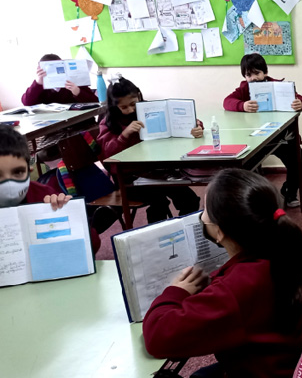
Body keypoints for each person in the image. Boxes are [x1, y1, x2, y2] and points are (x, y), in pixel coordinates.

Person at [142, 168, 302, 378]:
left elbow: (157, 337)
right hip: (277, 377)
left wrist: (176, 291)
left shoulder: (237, 289)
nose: (202, 216)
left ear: (219, 231)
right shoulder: (273, 251)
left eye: (205, 209)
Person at [97, 77, 202, 224]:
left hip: (156, 171)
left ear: (139, 96)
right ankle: (156, 233)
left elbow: (182, 120)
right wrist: (124, 135)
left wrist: (195, 126)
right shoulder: (109, 122)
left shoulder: (150, 109)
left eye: (133, 104)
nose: (131, 110)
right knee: (159, 203)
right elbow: (107, 153)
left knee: (189, 199)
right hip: (130, 179)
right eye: (124, 107)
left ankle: (184, 230)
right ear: (115, 106)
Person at [223, 53, 302, 208]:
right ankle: (254, 199)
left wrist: (300, 103)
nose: (253, 78)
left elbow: (299, 98)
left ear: (265, 72)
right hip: (255, 139)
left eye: (257, 73)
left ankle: (289, 191)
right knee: (244, 167)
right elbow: (227, 101)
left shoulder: (277, 86)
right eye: (249, 75)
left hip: (282, 137)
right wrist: (242, 105)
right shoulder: (244, 89)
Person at [0, 125, 100, 254]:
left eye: (18, 172)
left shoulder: (45, 197)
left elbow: (93, 245)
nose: (9, 183)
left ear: (28, 170)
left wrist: (68, 216)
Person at [22, 54, 100, 106]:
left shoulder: (74, 81)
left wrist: (78, 92)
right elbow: (27, 102)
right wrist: (38, 83)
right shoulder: (39, 86)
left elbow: (95, 102)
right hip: (53, 122)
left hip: (79, 122)